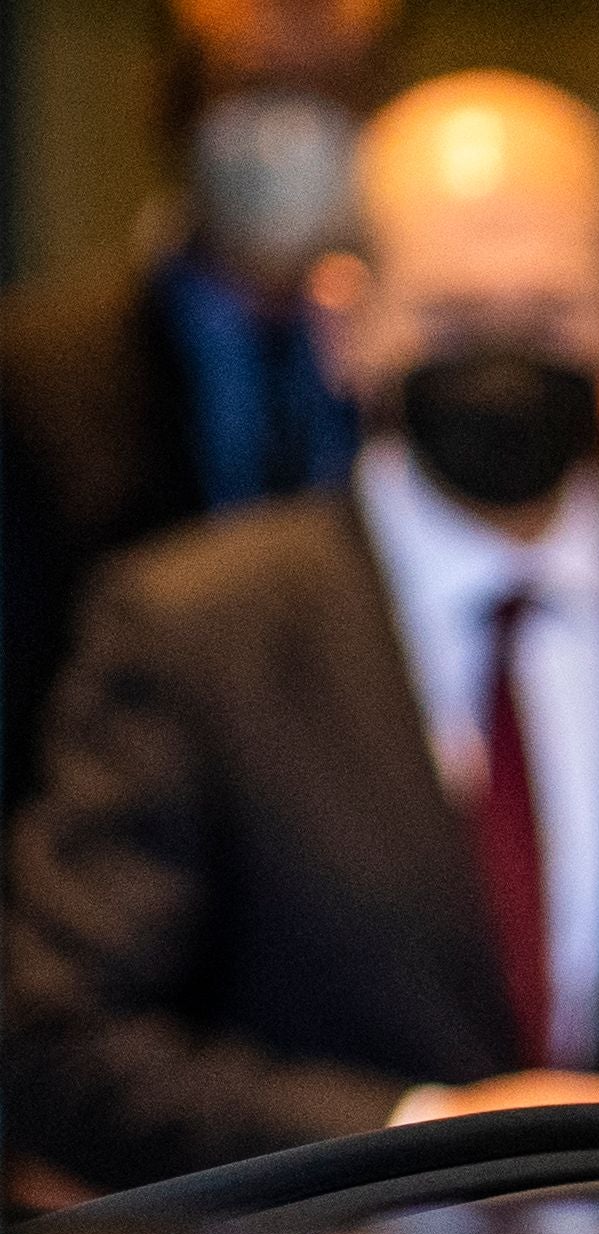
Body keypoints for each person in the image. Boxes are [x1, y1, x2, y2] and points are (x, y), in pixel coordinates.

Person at [4, 70, 599, 1195]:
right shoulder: (190, 633)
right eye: (453, 320)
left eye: (543, 318)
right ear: (349, 322)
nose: (501, 365)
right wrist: (431, 1138)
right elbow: (61, 1037)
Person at [0, 0, 390, 809]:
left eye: (329, 89)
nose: (294, 129)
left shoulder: (426, 370)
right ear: (172, 101)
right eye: (253, 87)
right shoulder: (30, 377)